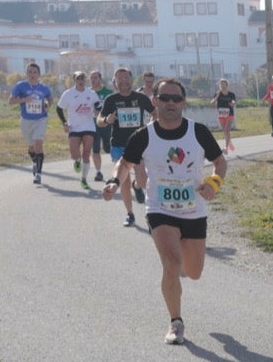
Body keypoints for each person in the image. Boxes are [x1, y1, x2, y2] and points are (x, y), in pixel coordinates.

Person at [106, 78, 228, 345]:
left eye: (176, 98)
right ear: (155, 101)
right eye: (164, 98)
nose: (170, 103)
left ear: (183, 102)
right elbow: (124, 164)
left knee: (193, 272)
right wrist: (115, 181)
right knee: (171, 264)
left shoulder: (197, 132)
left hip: (194, 210)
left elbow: (220, 162)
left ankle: (181, 267)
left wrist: (213, 184)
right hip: (160, 209)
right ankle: (176, 322)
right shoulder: (144, 136)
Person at [96, 67, 155, 226]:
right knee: (124, 181)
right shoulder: (111, 99)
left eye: (126, 78)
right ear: (115, 82)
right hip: (119, 145)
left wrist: (150, 126)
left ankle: (138, 187)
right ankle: (130, 214)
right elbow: (99, 120)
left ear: (131, 80)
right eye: (119, 78)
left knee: (143, 181)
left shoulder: (141, 98)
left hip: (139, 144)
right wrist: (107, 120)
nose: (123, 81)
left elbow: (155, 113)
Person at [56, 71, 101, 190]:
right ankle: (77, 160)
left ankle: (84, 179)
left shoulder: (91, 93)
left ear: (84, 81)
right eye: (78, 79)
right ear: (74, 80)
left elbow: (97, 105)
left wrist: (98, 110)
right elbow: (59, 109)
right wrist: (65, 123)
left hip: (88, 126)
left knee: (86, 152)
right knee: (74, 153)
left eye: (82, 79)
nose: (80, 81)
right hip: (74, 127)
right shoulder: (68, 94)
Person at [8, 62, 52, 185]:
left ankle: (38, 173)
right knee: (31, 146)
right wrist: (23, 100)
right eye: (30, 72)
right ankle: (35, 162)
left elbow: (50, 99)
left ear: (39, 74)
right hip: (26, 120)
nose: (32, 74)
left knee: (38, 143)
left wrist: (48, 105)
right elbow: (10, 101)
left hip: (41, 119)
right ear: (26, 74)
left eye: (35, 72)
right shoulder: (21, 86)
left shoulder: (44, 88)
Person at [89, 70, 110, 177]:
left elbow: (113, 108)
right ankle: (98, 172)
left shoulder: (108, 93)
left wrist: (103, 112)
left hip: (106, 125)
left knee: (108, 149)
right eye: (91, 78)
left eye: (95, 78)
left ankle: (123, 165)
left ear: (100, 79)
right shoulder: (86, 93)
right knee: (95, 149)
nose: (93, 80)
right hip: (92, 126)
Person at [213, 78, 238, 153]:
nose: (222, 86)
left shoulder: (231, 94)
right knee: (225, 131)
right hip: (221, 115)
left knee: (227, 130)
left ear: (227, 85)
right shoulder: (218, 94)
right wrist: (216, 97)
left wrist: (233, 103)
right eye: (221, 85)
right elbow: (212, 103)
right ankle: (228, 141)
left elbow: (234, 101)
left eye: (224, 84)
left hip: (229, 114)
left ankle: (226, 148)